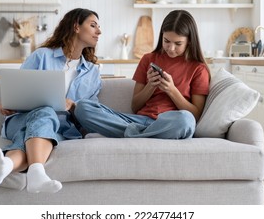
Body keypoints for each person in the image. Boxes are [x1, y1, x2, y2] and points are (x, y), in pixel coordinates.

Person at [0, 8, 102, 194]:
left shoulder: (93, 72)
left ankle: (6, 165)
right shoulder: (42, 56)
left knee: (34, 141)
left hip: (63, 129)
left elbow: (92, 111)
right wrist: (6, 102)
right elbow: (17, 88)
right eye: (93, 25)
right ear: (76, 27)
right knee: (46, 112)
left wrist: (74, 106)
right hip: (23, 119)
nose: (99, 31)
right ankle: (37, 174)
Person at [75, 9, 210, 139]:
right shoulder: (148, 59)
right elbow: (135, 106)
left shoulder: (198, 68)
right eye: (167, 41)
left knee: (186, 121)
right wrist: (150, 86)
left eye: (178, 43)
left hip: (169, 123)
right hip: (137, 121)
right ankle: (143, 134)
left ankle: (129, 134)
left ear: (189, 41)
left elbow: (196, 115)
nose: (171, 48)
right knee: (82, 107)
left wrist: (172, 90)